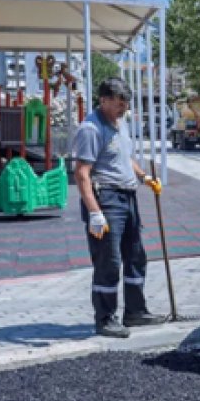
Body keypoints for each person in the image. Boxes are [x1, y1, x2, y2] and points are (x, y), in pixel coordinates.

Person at [72, 77, 167, 338]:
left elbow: (125, 158)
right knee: (109, 261)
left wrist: (144, 177)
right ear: (103, 101)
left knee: (136, 256)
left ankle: (135, 311)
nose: (123, 110)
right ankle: (105, 318)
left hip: (128, 198)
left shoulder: (119, 124)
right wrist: (94, 212)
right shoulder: (91, 129)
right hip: (107, 200)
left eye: (126, 105)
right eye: (119, 105)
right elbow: (82, 174)